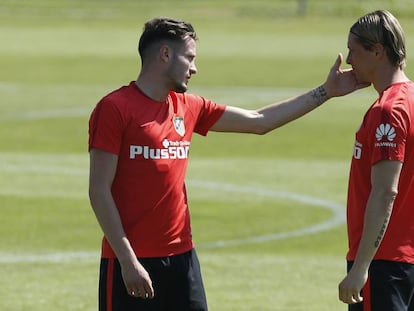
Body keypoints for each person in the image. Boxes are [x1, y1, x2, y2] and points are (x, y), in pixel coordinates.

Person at [88, 17, 366, 311]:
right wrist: (128, 262)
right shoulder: (115, 109)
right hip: (129, 261)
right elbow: (99, 191)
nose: (194, 68)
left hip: (182, 259)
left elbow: (260, 121)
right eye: (190, 58)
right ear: (165, 54)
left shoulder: (189, 107)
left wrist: (326, 91)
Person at [338, 10, 414, 311]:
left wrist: (360, 267)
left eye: (354, 51)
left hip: (385, 264)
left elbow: (385, 192)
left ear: (377, 52)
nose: (348, 60)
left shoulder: (388, 111)